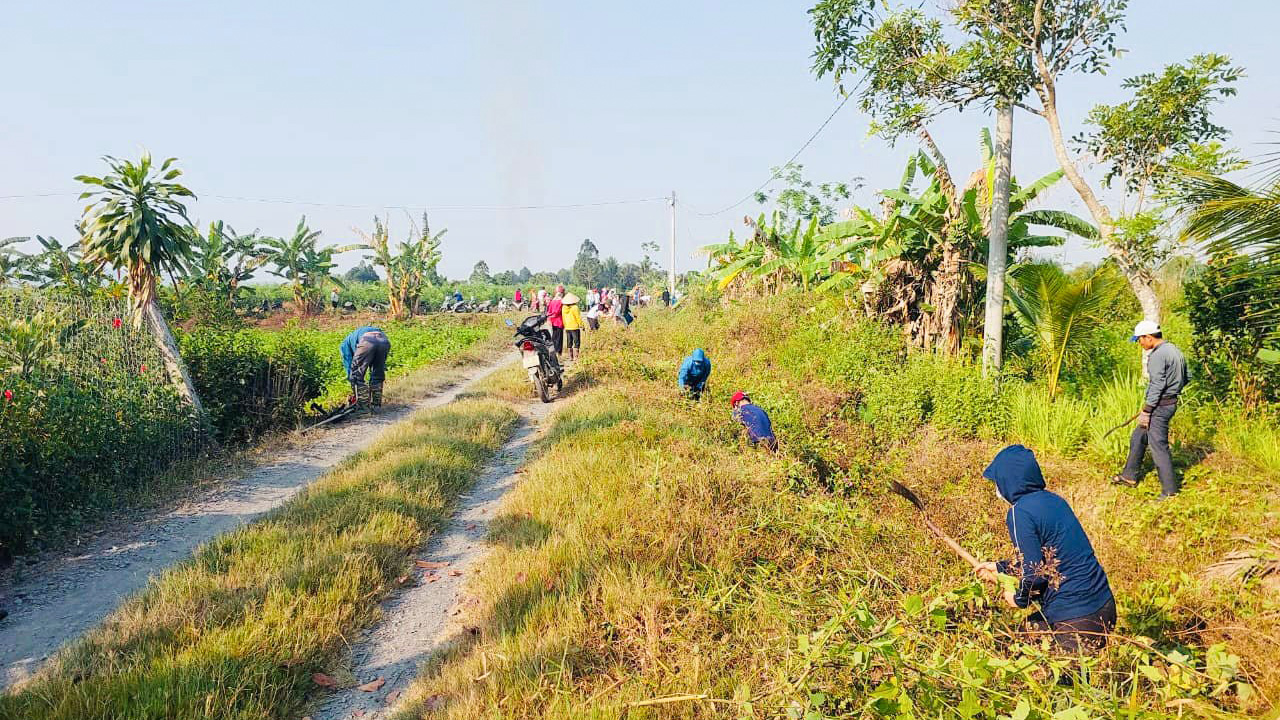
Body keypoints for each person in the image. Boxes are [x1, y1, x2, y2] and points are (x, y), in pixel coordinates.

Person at [976, 445, 1116, 654]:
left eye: (997, 483)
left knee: (1066, 684)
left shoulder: (1019, 513)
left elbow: (1034, 575)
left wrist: (1018, 599)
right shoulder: (1054, 500)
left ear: (1008, 481)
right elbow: (1051, 557)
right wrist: (1000, 567)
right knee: (1021, 640)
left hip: (1074, 620)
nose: (997, 490)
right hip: (1105, 607)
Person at [1112, 320, 1189, 499]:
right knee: (1138, 436)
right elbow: (1187, 376)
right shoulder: (1175, 351)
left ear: (1148, 337)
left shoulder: (1157, 355)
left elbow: (1157, 384)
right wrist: (1173, 391)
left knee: (1158, 447)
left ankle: (1169, 491)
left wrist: (1148, 410)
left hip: (1159, 407)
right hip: (1168, 403)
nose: (1140, 343)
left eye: (1140, 339)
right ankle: (1129, 476)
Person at [341, 326, 392, 413]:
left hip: (367, 341)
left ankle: (363, 408)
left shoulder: (344, 345)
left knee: (356, 375)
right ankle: (376, 406)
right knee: (377, 373)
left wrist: (352, 381)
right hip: (383, 340)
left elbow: (349, 365)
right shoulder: (356, 335)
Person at [561, 292, 583, 361]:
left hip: (567, 327)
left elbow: (563, 318)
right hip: (574, 327)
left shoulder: (564, 308)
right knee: (576, 342)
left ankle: (570, 357)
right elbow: (578, 318)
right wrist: (581, 325)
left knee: (569, 342)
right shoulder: (575, 307)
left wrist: (565, 325)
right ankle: (576, 357)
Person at [548, 286, 565, 354]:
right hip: (559, 321)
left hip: (553, 321)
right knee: (559, 337)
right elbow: (558, 311)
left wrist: (550, 318)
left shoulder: (552, 301)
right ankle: (558, 351)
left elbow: (549, 311)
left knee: (554, 336)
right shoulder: (561, 301)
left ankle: (553, 350)